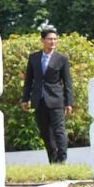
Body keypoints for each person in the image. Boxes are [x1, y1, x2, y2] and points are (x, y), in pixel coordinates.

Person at [20, 28, 73, 164]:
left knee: (59, 131)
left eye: (55, 39)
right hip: (38, 99)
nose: (53, 42)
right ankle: (52, 160)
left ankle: (62, 160)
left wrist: (69, 102)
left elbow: (67, 82)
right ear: (43, 40)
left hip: (56, 100)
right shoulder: (34, 57)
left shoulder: (62, 59)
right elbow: (29, 80)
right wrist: (25, 99)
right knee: (45, 132)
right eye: (50, 39)